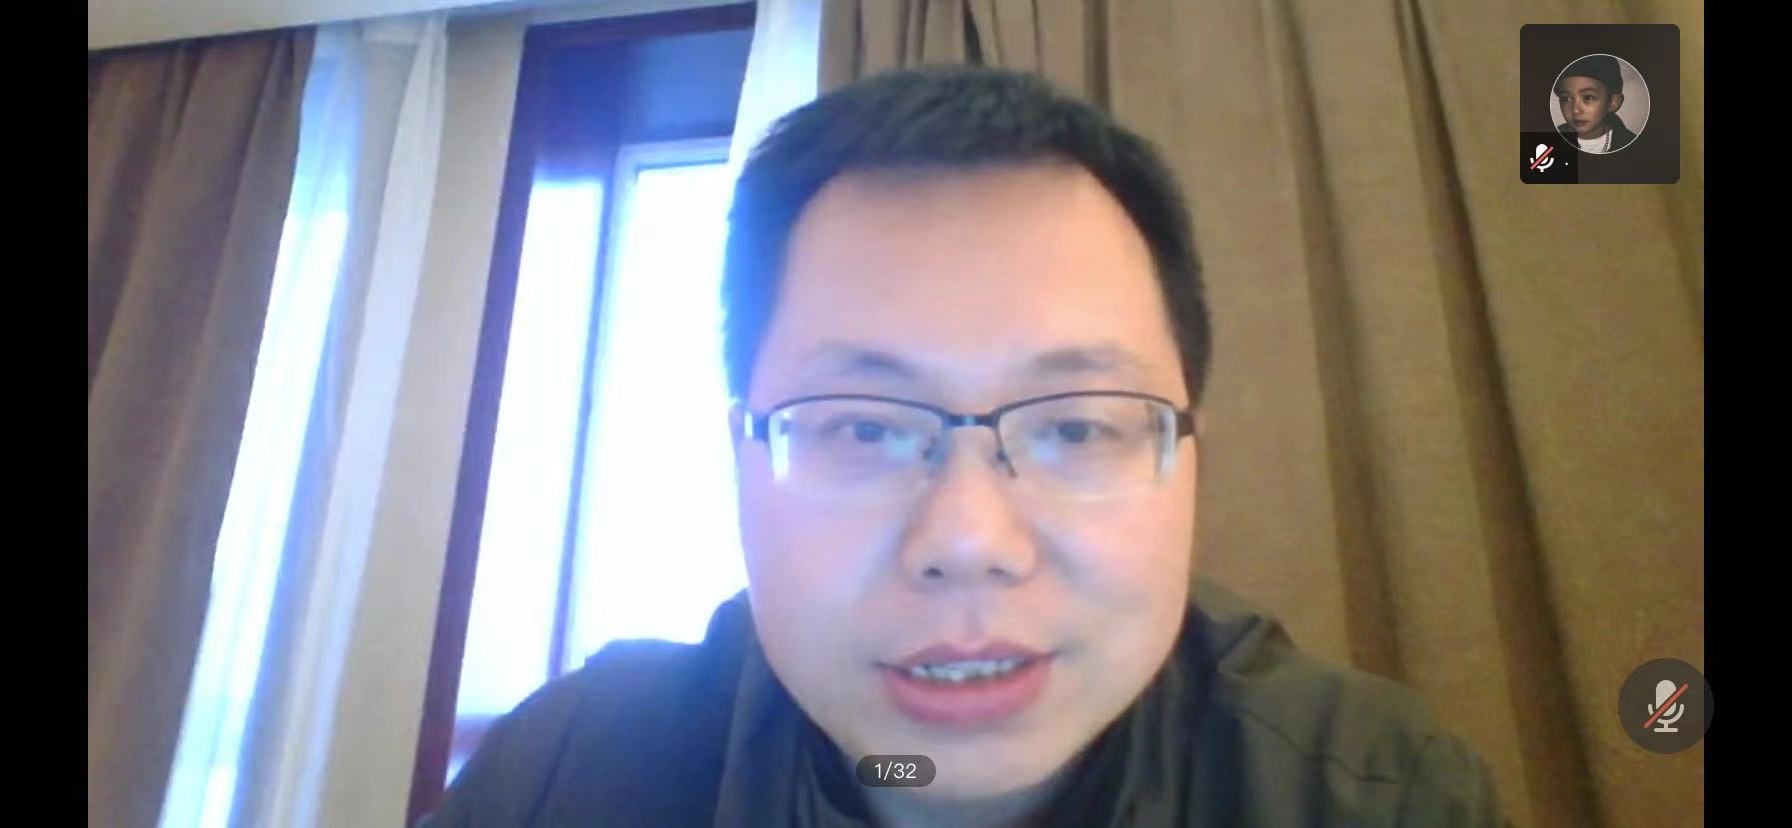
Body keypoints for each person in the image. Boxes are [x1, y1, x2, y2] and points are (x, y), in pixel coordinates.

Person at [421, 66, 1506, 827]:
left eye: (1075, 425)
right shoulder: (569, 776)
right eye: (863, 427)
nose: (968, 541)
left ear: (1188, 464)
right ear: (741, 461)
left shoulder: (1373, 797)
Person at [1554, 54, 1640, 154]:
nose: (1575, 110)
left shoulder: (1634, 146)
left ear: (1613, 102)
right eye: (1565, 98)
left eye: (1588, 97)